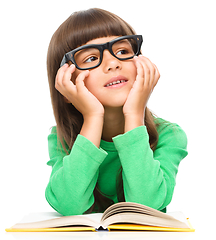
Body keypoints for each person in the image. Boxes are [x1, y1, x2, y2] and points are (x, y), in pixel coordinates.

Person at [45, 8, 188, 216]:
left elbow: (147, 207)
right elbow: (69, 206)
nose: (113, 63)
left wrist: (134, 114)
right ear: (66, 83)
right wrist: (93, 117)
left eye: (122, 51)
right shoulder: (62, 138)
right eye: (91, 58)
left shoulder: (169, 135)